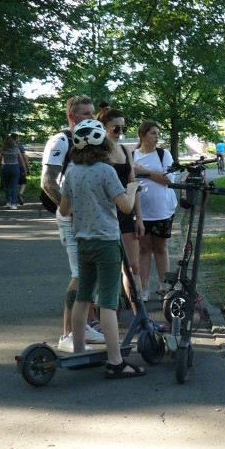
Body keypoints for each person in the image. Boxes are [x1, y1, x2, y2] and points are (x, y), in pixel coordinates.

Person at [59, 119, 144, 378]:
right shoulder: (106, 171)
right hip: (107, 241)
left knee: (83, 296)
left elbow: (64, 210)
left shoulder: (72, 171)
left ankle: (78, 352)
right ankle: (115, 361)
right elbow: (126, 207)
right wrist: (132, 188)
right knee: (106, 301)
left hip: (83, 241)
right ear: (103, 145)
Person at [42, 96, 106, 353]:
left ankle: (85, 326)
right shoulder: (61, 141)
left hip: (89, 215)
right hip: (72, 217)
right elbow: (48, 182)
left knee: (93, 272)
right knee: (80, 274)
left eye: (93, 113)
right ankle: (67, 334)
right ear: (72, 116)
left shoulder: (92, 139)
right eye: (86, 114)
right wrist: (69, 211)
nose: (93, 118)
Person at [97, 107, 144, 311]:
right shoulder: (97, 152)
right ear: (104, 128)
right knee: (107, 268)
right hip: (105, 215)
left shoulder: (125, 150)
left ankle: (140, 315)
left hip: (126, 213)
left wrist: (139, 218)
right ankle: (105, 314)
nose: (120, 133)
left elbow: (133, 185)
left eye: (124, 128)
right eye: (116, 128)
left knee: (133, 267)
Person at [132, 120, 175, 302]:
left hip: (162, 210)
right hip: (140, 212)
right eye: (153, 133)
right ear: (142, 135)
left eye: (158, 134)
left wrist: (145, 172)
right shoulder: (133, 155)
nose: (157, 137)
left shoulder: (163, 154)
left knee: (160, 247)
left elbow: (168, 180)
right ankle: (144, 288)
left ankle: (165, 287)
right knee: (143, 249)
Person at [0, 135, 23, 209]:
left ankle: (8, 202)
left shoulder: (2, 150)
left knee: (7, 187)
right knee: (14, 186)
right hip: (15, 167)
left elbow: (0, 160)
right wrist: (25, 169)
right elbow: (22, 160)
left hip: (5, 167)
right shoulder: (16, 149)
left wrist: (0, 168)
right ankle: (13, 203)